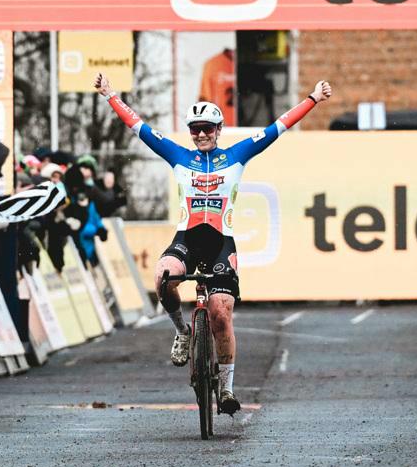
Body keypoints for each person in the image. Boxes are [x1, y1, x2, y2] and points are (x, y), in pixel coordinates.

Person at [94, 71, 332, 415]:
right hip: (187, 239)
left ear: (219, 131)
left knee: (221, 314)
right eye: (196, 129)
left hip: (221, 242)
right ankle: (182, 331)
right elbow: (139, 127)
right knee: (163, 276)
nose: (202, 134)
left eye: (208, 128)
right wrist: (110, 95)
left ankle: (226, 389)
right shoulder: (178, 155)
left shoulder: (237, 154)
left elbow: (278, 127)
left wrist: (312, 98)